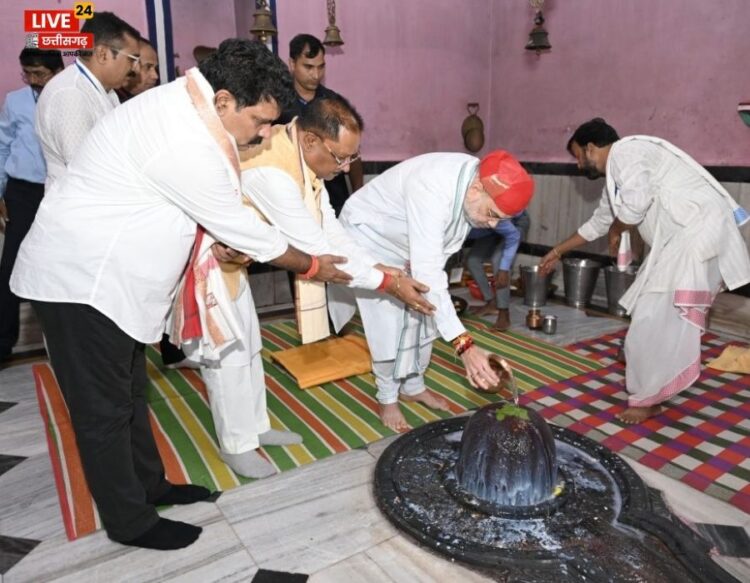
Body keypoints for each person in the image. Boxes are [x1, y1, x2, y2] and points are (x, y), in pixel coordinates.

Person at [11, 38, 349, 551]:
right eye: (259, 121)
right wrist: (311, 264)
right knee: (102, 412)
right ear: (224, 101)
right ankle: (130, 521)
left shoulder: (186, 110)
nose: (261, 134)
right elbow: (239, 226)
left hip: (115, 284)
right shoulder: (183, 137)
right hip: (82, 283)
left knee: (130, 395)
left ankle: (151, 485)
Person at [191, 94, 434, 477]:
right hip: (207, 257)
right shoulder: (273, 169)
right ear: (311, 141)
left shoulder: (303, 160)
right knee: (227, 353)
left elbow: (331, 229)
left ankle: (256, 427)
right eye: (341, 157)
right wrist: (388, 282)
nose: (345, 167)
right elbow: (316, 250)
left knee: (250, 346)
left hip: (236, 258)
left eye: (352, 158)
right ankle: (236, 444)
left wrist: (376, 265)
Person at [539, 118, 750, 424]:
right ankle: (653, 380)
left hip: (696, 233)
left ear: (590, 148)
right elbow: (600, 222)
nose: (576, 164)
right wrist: (557, 251)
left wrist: (618, 228)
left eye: (577, 156)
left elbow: (635, 206)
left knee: (652, 315)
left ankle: (646, 397)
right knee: (655, 315)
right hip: (684, 239)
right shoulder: (616, 177)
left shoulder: (627, 151)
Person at [328, 151, 535, 432]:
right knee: (388, 322)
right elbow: (429, 276)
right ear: (477, 189)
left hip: (407, 245)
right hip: (370, 238)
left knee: (426, 319)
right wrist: (465, 346)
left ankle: (413, 386)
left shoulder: (470, 189)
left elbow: (433, 270)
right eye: (492, 214)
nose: (493, 224)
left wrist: (448, 319)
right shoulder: (433, 187)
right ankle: (387, 398)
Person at [0, 48, 64, 365]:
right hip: (22, 192)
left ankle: (65, 339)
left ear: (56, 70)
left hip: (59, 191)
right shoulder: (15, 101)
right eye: (28, 73)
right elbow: (3, 145)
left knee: (61, 265)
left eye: (39, 73)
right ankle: (2, 343)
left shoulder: (69, 97)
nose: (33, 80)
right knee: (10, 265)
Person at [35, 11, 141, 188]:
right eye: (132, 60)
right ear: (102, 54)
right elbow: (84, 169)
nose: (135, 69)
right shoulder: (71, 93)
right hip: (78, 206)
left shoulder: (104, 88)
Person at [277, 34, 364, 216]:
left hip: (334, 199)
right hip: (293, 199)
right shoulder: (278, 104)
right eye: (308, 67)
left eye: (321, 67)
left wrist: (358, 194)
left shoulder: (334, 102)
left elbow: (353, 154)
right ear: (292, 64)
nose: (316, 75)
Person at [466, 209, 530, 330]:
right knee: (472, 260)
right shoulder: (450, 221)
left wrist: (504, 269)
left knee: (499, 261)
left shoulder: (487, 210)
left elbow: (513, 235)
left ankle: (503, 313)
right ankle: (491, 303)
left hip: (513, 222)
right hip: (488, 227)